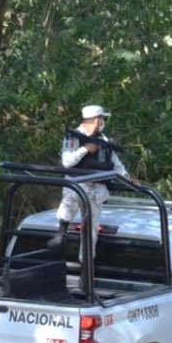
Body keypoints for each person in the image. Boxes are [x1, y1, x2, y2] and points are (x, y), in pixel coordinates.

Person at [49, 105, 137, 255]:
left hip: (96, 189)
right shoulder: (74, 137)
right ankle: (61, 233)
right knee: (67, 207)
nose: (103, 121)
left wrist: (129, 179)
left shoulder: (103, 139)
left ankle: (86, 267)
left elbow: (116, 163)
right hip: (76, 185)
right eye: (102, 118)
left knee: (91, 232)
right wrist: (85, 149)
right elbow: (67, 162)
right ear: (96, 120)